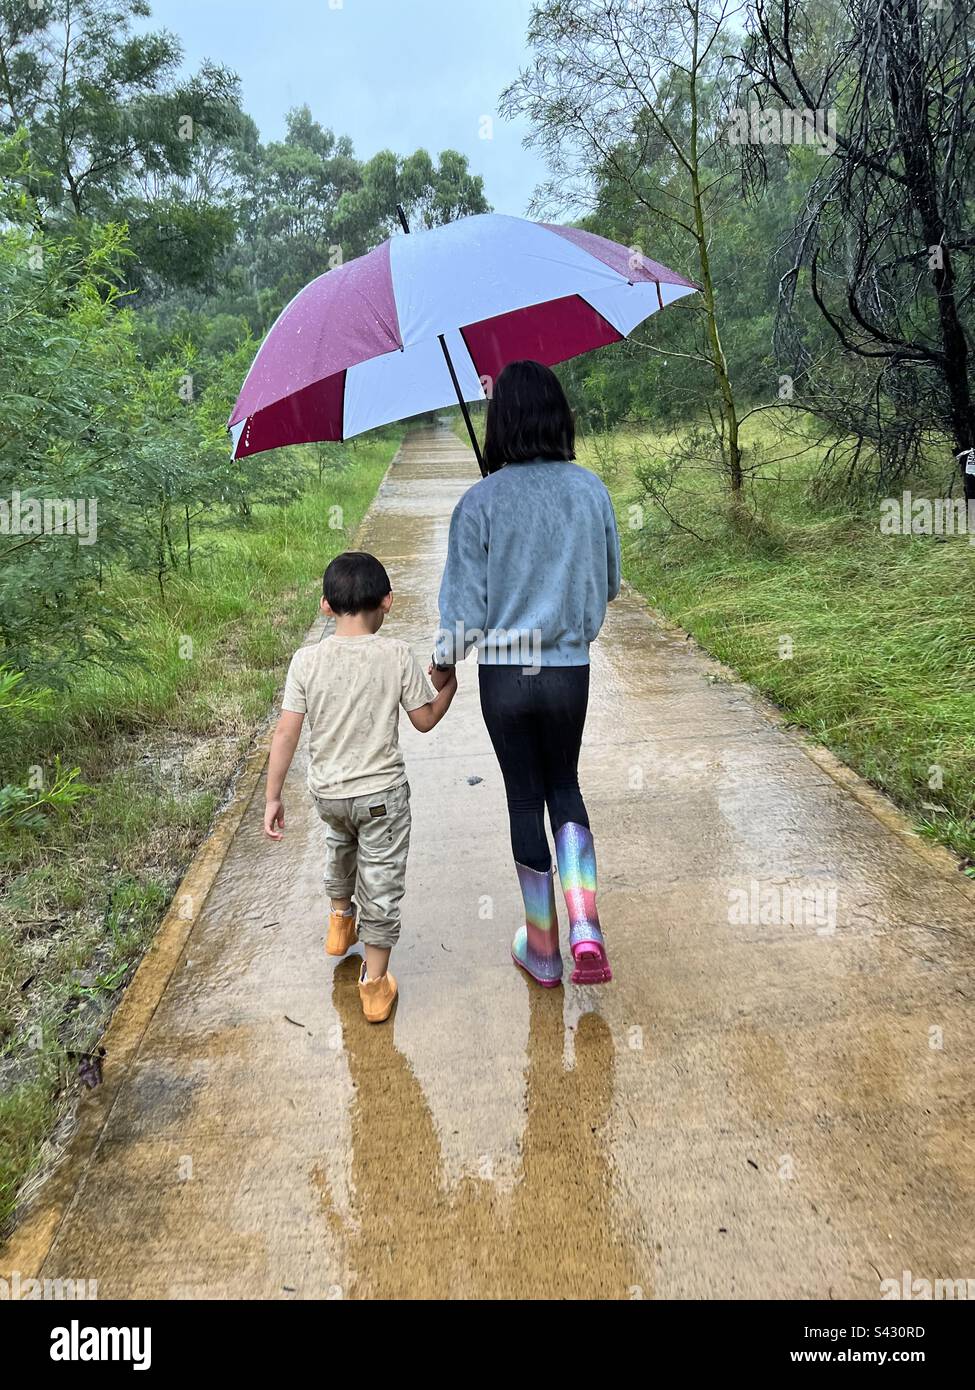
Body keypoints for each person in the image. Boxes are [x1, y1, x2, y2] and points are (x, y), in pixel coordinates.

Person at [429, 360, 621, 988]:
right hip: (569, 670)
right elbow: (610, 583)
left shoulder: (478, 503)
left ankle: (542, 950)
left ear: (500, 423)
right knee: (565, 786)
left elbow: (462, 611)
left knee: (522, 796)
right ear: (559, 417)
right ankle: (585, 924)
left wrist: (442, 662)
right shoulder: (590, 490)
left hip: (506, 679)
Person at [264, 551, 457, 1022]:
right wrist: (448, 686)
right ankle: (373, 986)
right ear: (387, 602)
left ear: (326, 606)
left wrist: (272, 796)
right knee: (382, 879)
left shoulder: (305, 661)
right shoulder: (395, 655)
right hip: (381, 798)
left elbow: (287, 731)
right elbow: (425, 720)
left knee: (339, 844)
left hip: (328, 794)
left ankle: (338, 921)